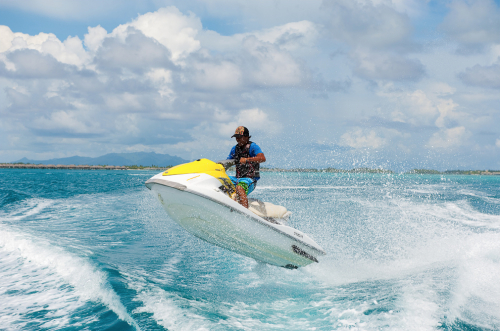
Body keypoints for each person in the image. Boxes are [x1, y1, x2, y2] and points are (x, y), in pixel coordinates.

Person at [227, 126, 266, 208]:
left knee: (239, 187)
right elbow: (227, 163)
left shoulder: (253, 147)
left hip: (250, 180)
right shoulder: (234, 149)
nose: (237, 139)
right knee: (222, 180)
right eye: (236, 137)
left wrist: (247, 159)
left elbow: (262, 158)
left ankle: (244, 214)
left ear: (247, 137)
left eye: (240, 137)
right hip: (236, 179)